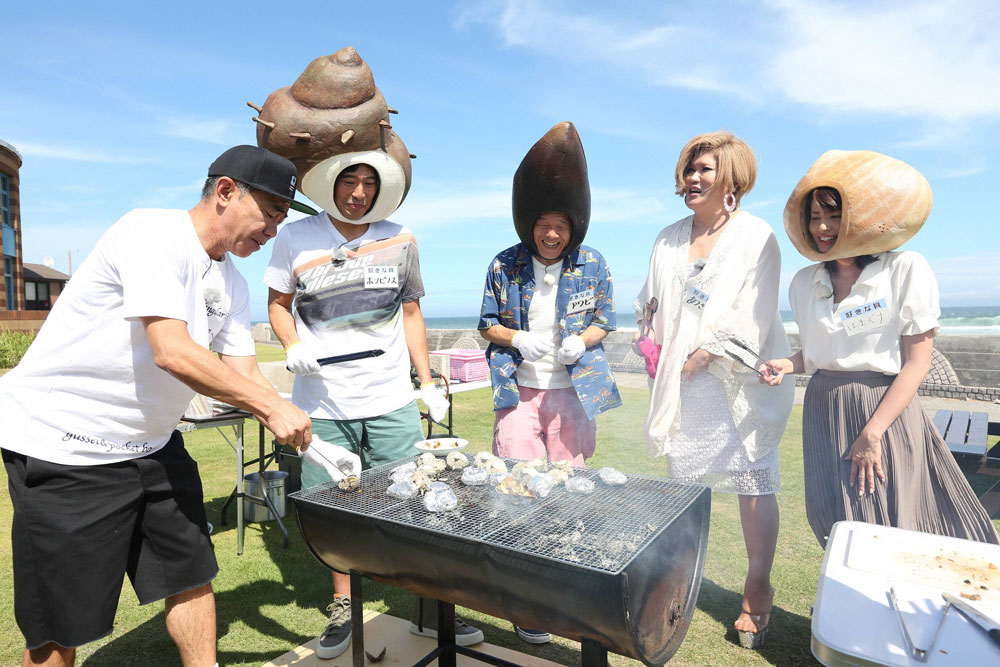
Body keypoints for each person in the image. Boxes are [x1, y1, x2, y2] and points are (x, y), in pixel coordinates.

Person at [0, 144, 315, 667]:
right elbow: (171, 350)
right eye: (271, 212)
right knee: (60, 623)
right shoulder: (151, 233)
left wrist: (289, 414)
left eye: (282, 219)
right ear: (225, 191)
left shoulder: (233, 283)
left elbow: (244, 374)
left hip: (153, 446)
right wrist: (268, 405)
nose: (273, 230)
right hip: (65, 446)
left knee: (191, 573)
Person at [258, 48, 478, 660]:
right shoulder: (295, 237)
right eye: (349, 181)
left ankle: (428, 607)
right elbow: (277, 304)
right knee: (336, 509)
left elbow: (411, 313)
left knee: (413, 500)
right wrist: (293, 344)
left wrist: (427, 381)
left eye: (369, 183)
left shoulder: (401, 239)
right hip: (322, 403)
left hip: (390, 399)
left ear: (382, 189)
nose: (358, 193)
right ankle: (343, 606)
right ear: (330, 181)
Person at [761, 150, 998, 548]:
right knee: (833, 515)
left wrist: (873, 431)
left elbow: (917, 363)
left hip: (881, 407)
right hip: (822, 405)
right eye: (815, 217)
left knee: (887, 515)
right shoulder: (804, 281)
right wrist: (788, 363)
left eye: (834, 216)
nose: (822, 227)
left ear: (861, 218)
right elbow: (822, 351)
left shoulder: (904, 268)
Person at [633, 131, 794, 650]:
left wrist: (708, 353)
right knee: (682, 485)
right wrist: (648, 339)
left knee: (753, 482)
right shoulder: (668, 237)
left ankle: (757, 588)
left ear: (733, 177)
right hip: (680, 382)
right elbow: (650, 301)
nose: (694, 178)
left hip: (734, 382)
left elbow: (756, 309)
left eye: (705, 169)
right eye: (690, 168)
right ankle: (677, 581)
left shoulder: (757, 235)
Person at [478, 121, 620, 645]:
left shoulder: (593, 262)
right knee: (520, 484)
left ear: (573, 227)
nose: (552, 234)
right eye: (544, 224)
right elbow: (486, 324)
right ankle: (528, 602)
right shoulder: (504, 264)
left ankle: (566, 582)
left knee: (568, 485)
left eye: (561, 225)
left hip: (574, 393)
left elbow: (606, 318)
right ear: (530, 225)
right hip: (519, 390)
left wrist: (584, 340)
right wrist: (517, 338)